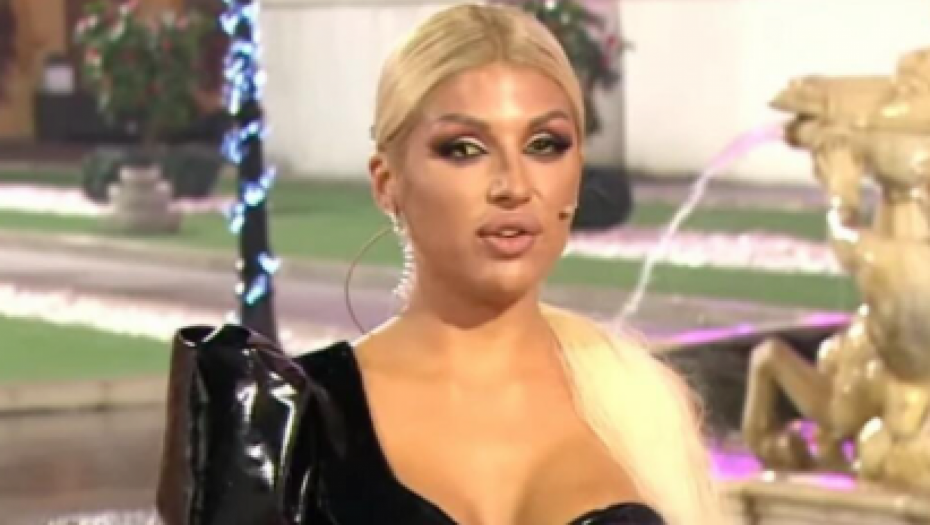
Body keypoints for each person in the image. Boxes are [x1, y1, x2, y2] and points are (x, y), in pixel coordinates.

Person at [156, 4, 723, 525]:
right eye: (464, 149)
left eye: (544, 144)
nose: (514, 185)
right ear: (388, 182)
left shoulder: (641, 403)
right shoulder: (285, 423)